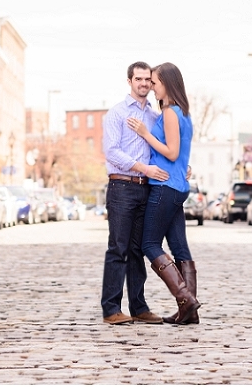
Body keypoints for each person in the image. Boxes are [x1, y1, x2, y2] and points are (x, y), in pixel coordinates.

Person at [127, 62, 200, 325]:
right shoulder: (184, 113)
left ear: (167, 83)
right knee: (180, 247)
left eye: (154, 82)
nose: (151, 87)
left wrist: (145, 133)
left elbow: (171, 152)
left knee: (149, 244)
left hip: (165, 187)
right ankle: (188, 311)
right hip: (178, 186)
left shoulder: (170, 112)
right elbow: (181, 154)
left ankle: (186, 300)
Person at [100, 61, 169, 325]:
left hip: (145, 189)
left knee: (138, 249)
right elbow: (112, 152)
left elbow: (162, 149)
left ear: (152, 84)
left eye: (147, 80)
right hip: (122, 187)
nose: (143, 84)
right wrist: (143, 168)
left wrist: (181, 166)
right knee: (118, 248)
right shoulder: (116, 113)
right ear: (129, 81)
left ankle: (138, 306)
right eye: (138, 79)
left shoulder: (154, 117)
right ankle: (111, 309)